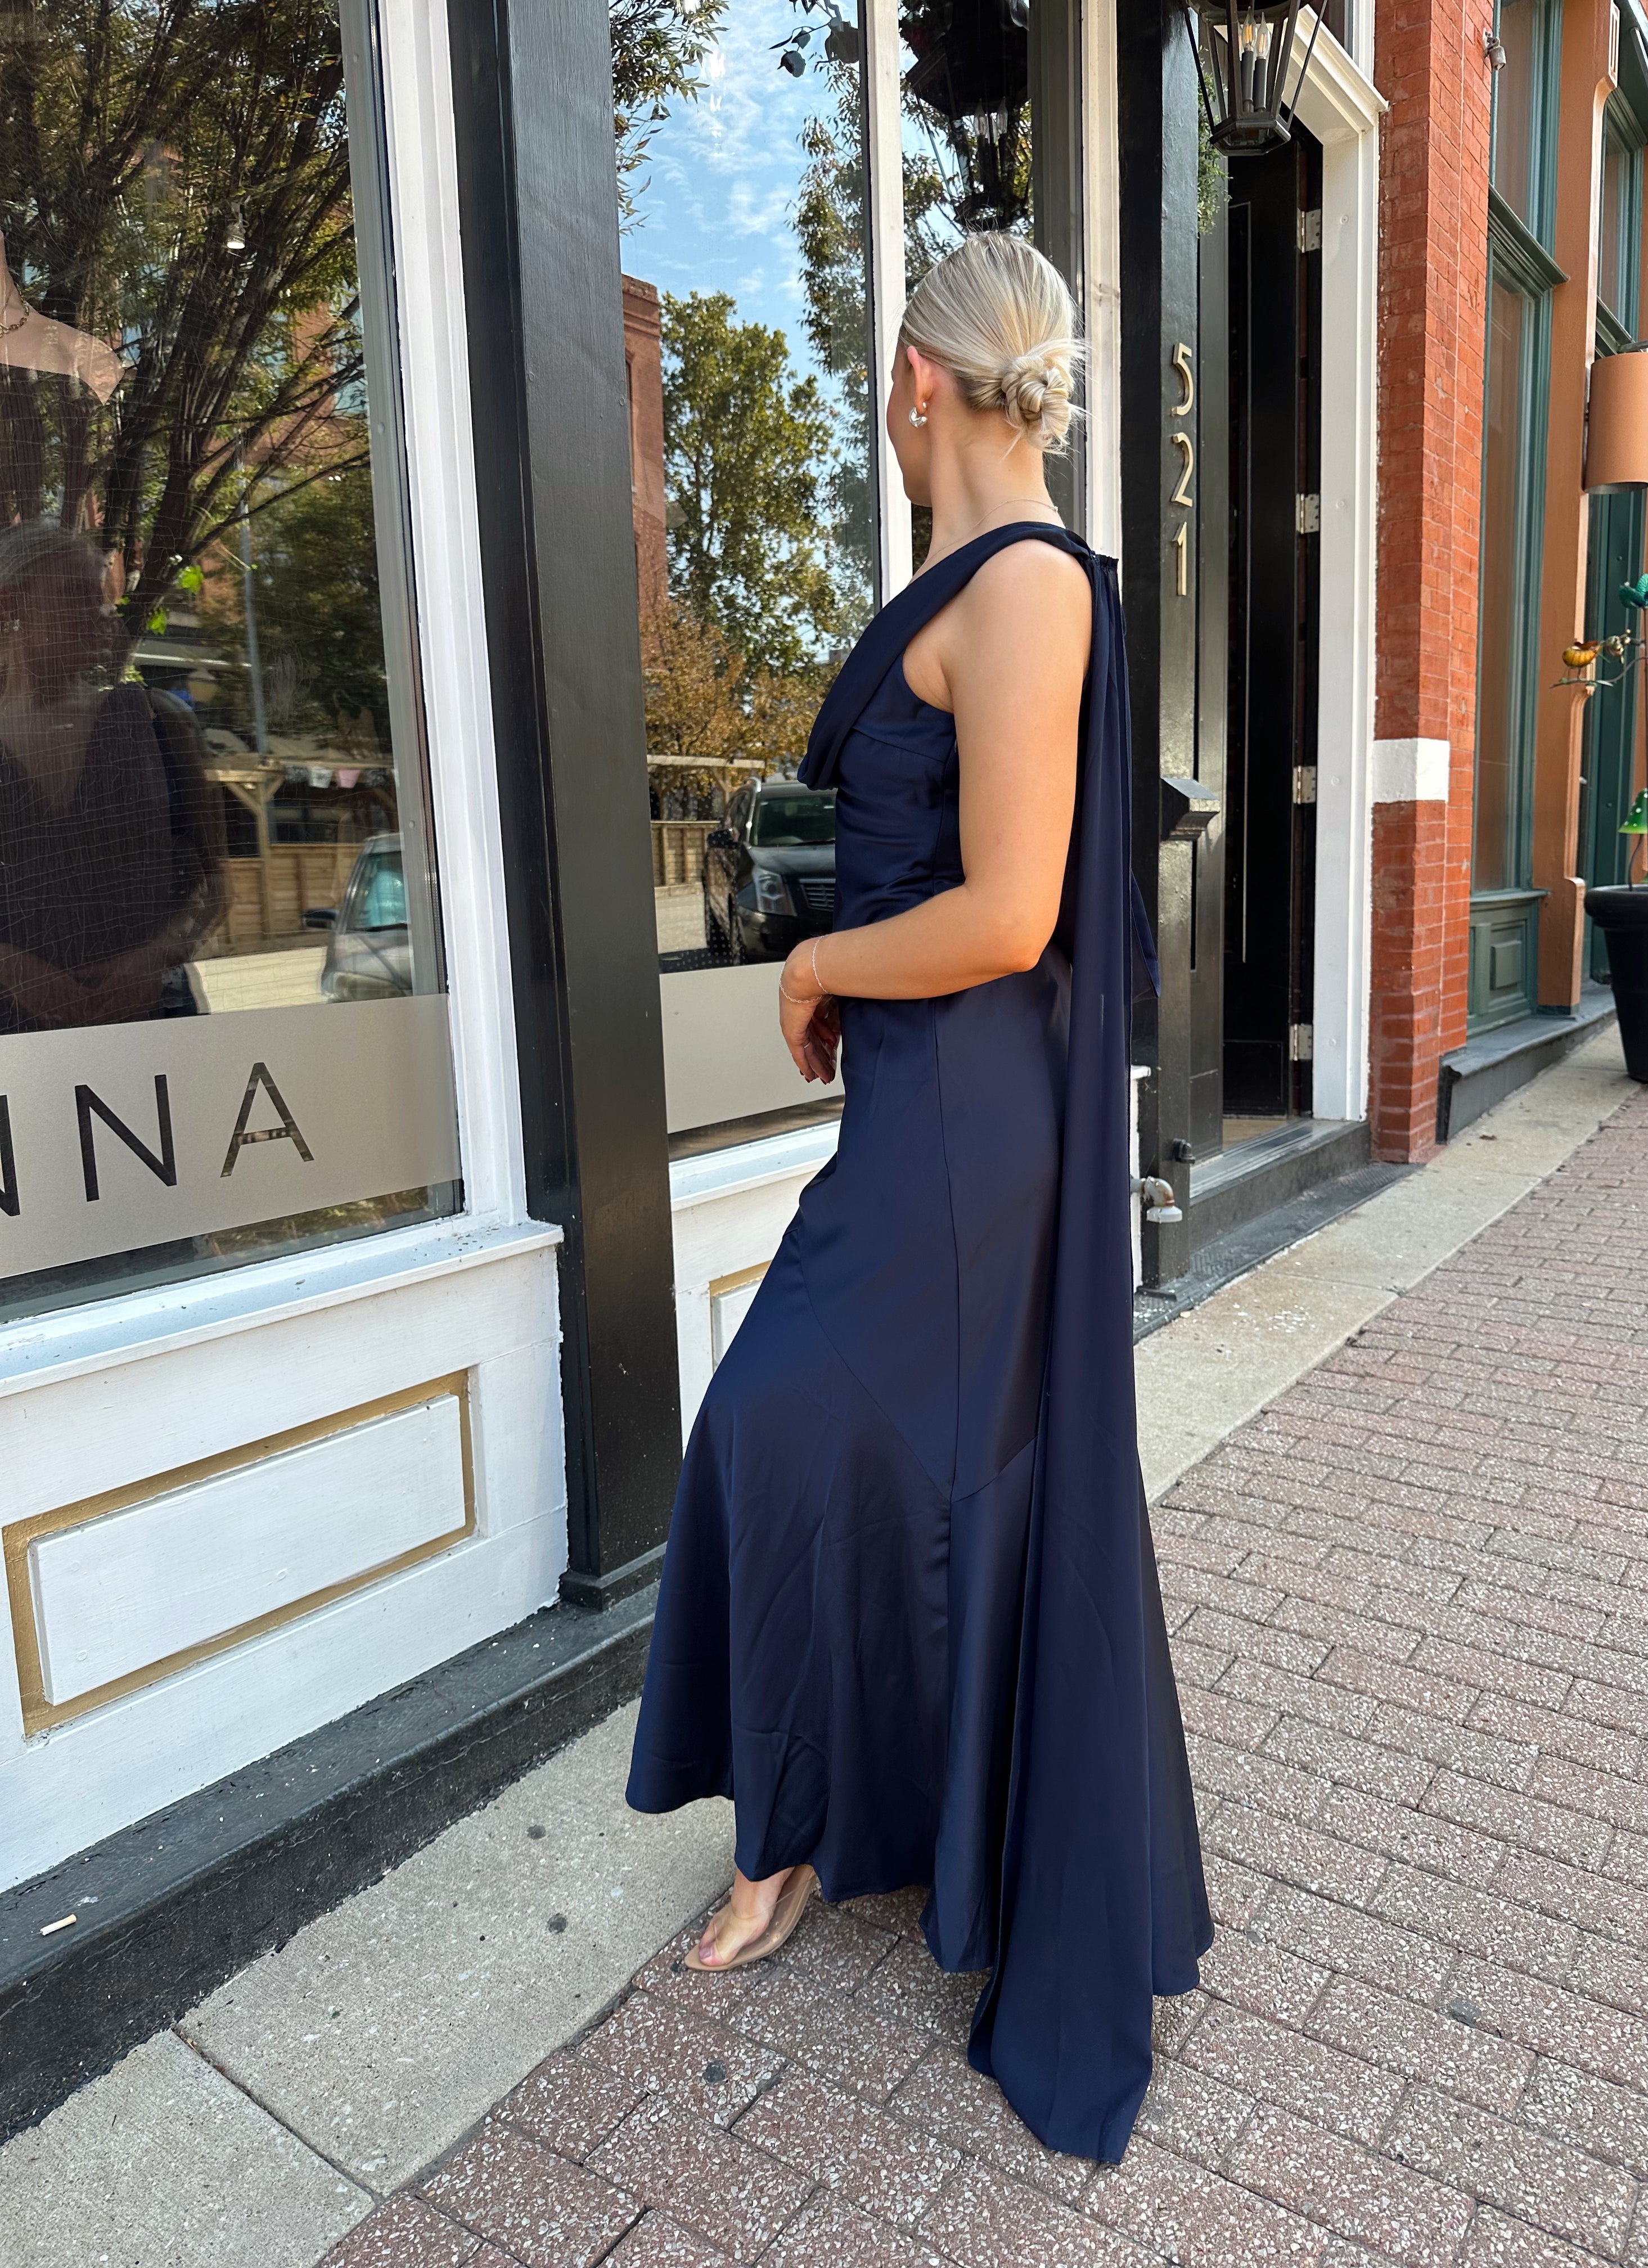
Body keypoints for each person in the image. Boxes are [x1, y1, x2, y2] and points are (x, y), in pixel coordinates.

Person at [626, 232, 1212, 2164]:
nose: (878, 409)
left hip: (965, 1132)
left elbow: (1008, 912)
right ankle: (848, 1825)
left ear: (918, 383)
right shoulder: (963, 589)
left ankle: (816, 1834)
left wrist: (810, 974)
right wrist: (823, 945)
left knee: (782, 1433)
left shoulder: (1027, 586)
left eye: (884, 378)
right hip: (922, 1114)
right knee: (866, 1460)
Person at [0, 523, 226, 1033]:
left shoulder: (155, 723)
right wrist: (9, 966)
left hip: (150, 1020)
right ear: (9, 606)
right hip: (14, 1041)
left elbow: (214, 883)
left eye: (101, 597)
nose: (101, 612)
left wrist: (153, 961)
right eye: (76, 595)